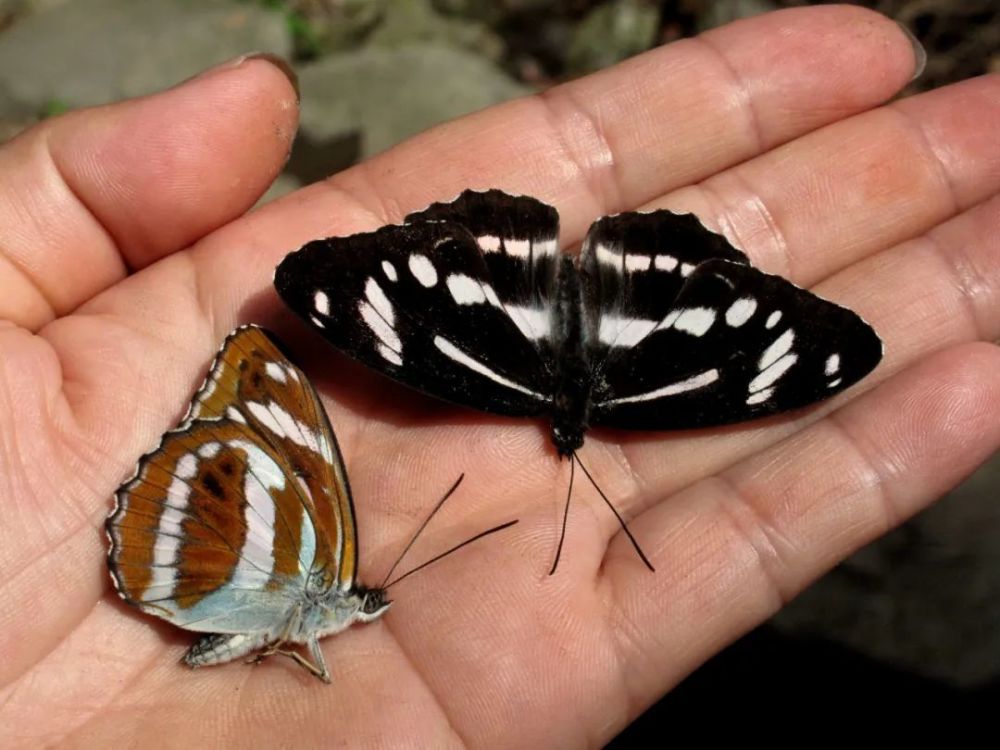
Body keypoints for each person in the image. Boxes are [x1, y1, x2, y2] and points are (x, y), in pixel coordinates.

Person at [1, 5, 998, 746]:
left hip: (507, 326)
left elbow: (789, 341)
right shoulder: (619, 411)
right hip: (604, 325)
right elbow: (333, 292)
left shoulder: (487, 386)